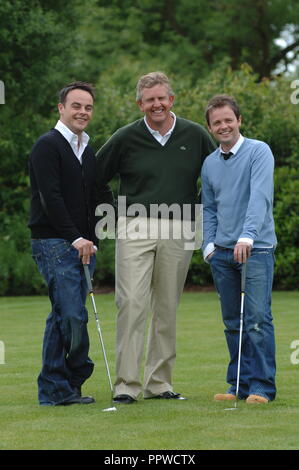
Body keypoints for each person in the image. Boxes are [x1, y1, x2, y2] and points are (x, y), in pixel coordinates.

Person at [96, 71, 216, 404]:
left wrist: (204, 211)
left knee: (167, 306)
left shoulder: (195, 134)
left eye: (162, 98)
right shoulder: (125, 137)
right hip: (134, 227)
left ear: (172, 99)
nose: (157, 104)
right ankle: (126, 384)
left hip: (180, 227)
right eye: (150, 100)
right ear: (140, 104)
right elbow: (93, 175)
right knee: (132, 303)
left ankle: (159, 382)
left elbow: (217, 175)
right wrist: (113, 210)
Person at [29, 81, 104, 406]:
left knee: (63, 314)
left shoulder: (86, 149)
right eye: (76, 105)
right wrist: (75, 238)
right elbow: (51, 199)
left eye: (87, 107)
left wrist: (97, 235)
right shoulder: (47, 146)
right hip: (55, 242)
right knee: (71, 315)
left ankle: (58, 388)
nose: (82, 112)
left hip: (85, 245)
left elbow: (97, 195)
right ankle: (71, 377)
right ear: (61, 108)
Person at [201, 94, 277, 404]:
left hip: (255, 249)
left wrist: (247, 236)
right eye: (216, 122)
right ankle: (238, 386)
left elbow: (259, 197)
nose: (223, 126)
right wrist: (208, 244)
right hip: (222, 253)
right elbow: (209, 207)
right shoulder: (209, 163)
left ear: (239, 121)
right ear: (210, 127)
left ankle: (261, 388)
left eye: (228, 120)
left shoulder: (259, 152)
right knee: (233, 323)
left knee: (257, 319)